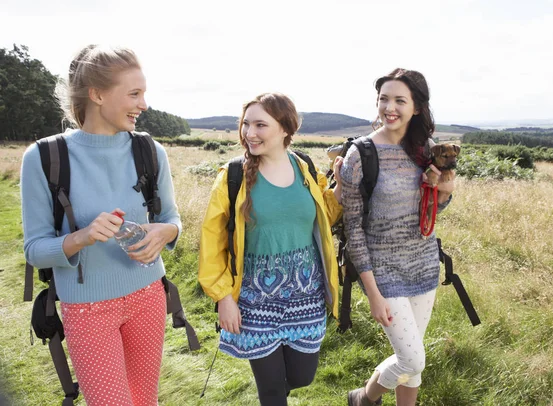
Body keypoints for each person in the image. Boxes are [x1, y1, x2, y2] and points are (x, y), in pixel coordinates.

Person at [20, 45, 182, 406]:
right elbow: (33, 249)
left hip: (148, 296)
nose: (143, 104)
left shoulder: (150, 151)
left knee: (144, 401)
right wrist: (81, 237)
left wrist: (165, 233)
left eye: (144, 93)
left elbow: (171, 218)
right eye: (134, 94)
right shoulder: (44, 157)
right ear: (97, 94)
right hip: (87, 308)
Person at [198, 93, 343, 406]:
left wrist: (340, 189)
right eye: (246, 124)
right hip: (255, 300)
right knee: (272, 390)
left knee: (303, 376)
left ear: (285, 129)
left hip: (307, 295)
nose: (250, 133)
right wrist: (223, 297)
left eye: (260, 124)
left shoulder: (304, 167)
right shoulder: (233, 177)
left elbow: (324, 216)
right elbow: (212, 241)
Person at [342, 68, 455, 406]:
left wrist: (446, 193)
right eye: (384, 99)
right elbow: (353, 228)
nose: (389, 108)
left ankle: (365, 400)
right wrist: (373, 292)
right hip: (383, 273)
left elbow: (431, 211)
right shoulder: (360, 154)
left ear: (417, 107)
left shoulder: (428, 150)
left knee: (413, 357)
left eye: (399, 100)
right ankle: (365, 395)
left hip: (423, 266)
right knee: (411, 359)